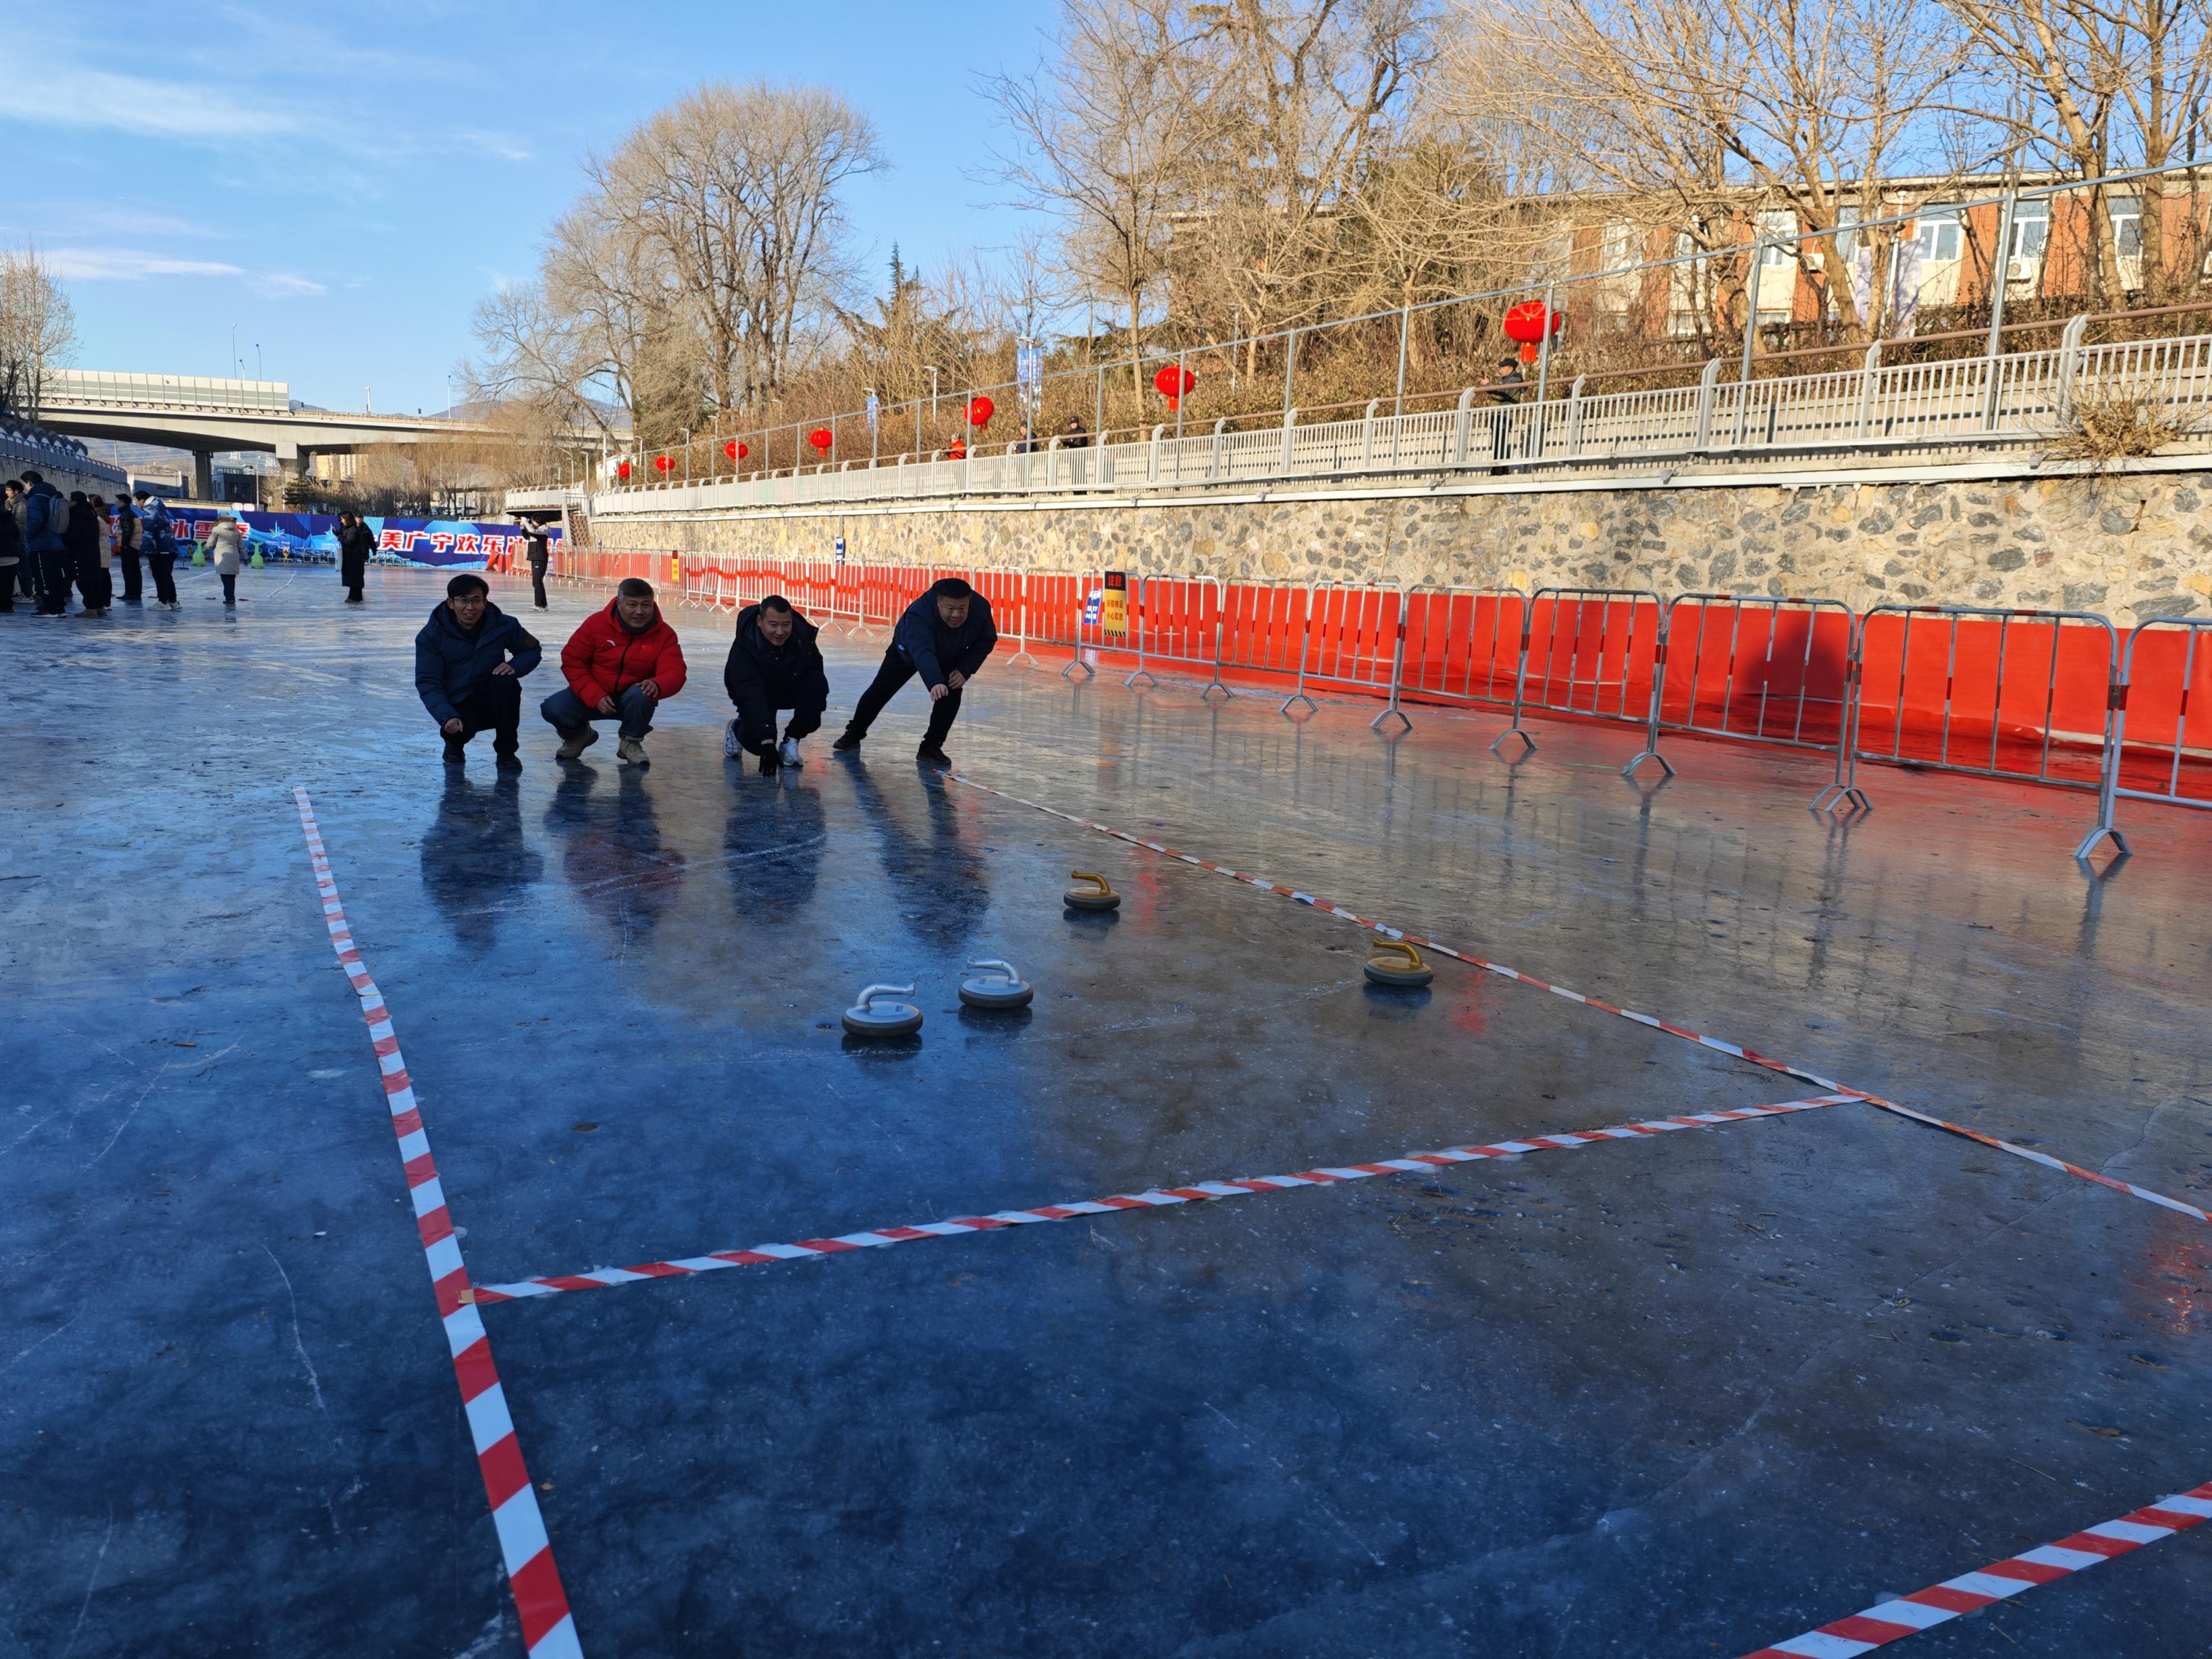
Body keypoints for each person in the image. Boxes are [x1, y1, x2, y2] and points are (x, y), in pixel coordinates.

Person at [833, 575, 997, 768]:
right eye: (950, 609)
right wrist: (934, 680)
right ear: (938, 602)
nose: (956, 615)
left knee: (951, 691)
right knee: (881, 690)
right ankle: (854, 734)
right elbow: (922, 650)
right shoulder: (920, 614)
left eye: (962, 609)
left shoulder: (981, 608)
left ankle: (931, 746)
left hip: (950, 653)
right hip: (908, 651)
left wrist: (964, 669)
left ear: (970, 601)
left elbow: (986, 640)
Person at [540, 577, 687, 765]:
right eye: (632, 604)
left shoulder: (665, 635)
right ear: (619, 603)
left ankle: (630, 742)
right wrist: (595, 696)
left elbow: (675, 671)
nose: (639, 612)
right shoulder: (596, 624)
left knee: (643, 693)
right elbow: (572, 660)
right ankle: (579, 736)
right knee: (553, 708)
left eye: (646, 605)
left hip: (632, 699)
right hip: (594, 694)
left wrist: (658, 684)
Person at [415, 572, 542, 768]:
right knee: (456, 730)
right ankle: (454, 745)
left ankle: (506, 752)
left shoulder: (503, 624)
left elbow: (531, 650)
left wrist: (514, 666)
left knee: (507, 683)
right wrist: (446, 715)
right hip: (459, 701)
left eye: (476, 600)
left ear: (485, 602)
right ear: (451, 603)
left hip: (492, 695)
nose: (470, 608)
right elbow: (428, 681)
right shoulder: (431, 635)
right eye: (463, 601)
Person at [722, 593, 828, 775]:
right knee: (758, 745)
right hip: (756, 692)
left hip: (787, 686)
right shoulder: (745, 645)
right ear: (759, 621)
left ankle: (790, 741)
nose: (780, 632)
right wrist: (766, 740)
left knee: (816, 684)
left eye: (786, 625)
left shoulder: (803, 638)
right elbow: (750, 692)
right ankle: (736, 728)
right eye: (773, 625)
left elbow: (816, 674)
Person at [20, 470, 72, 617]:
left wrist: (27, 535)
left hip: (41, 545)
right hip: (56, 543)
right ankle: (59, 607)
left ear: (29, 483)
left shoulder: (36, 499)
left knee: (43, 577)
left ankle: (49, 608)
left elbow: (36, 521)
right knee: (56, 576)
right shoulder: (54, 496)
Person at [134, 491, 180, 609]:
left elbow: (148, 534)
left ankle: (163, 602)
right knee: (167, 576)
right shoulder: (159, 507)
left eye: (136, 501)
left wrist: (140, 551)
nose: (135, 504)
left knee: (160, 576)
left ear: (142, 500)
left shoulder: (151, 511)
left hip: (160, 549)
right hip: (169, 548)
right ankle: (173, 601)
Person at [68, 492, 111, 617]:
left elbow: (74, 535)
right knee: (95, 580)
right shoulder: (92, 514)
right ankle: (99, 606)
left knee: (83, 581)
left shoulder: (77, 514)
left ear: (75, 501)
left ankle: (90, 608)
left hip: (81, 552)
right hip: (94, 552)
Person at [205, 512, 245, 606]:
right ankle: (231, 597)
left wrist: (203, 553)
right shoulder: (236, 531)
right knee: (231, 579)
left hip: (222, 557)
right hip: (234, 557)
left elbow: (210, 544)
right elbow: (241, 546)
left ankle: (230, 598)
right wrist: (246, 558)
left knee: (225, 579)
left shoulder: (216, 530)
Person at [335, 510, 374, 604]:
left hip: (355, 559)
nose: (341, 521)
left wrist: (340, 536)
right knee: (354, 579)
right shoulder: (349, 529)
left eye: (342, 519)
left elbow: (349, 542)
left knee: (355, 579)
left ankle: (354, 597)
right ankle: (354, 597)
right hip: (352, 558)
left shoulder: (354, 530)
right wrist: (338, 534)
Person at [111, 494, 142, 604]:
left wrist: (124, 544)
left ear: (123, 503)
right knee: (135, 570)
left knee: (129, 571)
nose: (116, 505)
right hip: (134, 546)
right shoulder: (132, 514)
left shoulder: (126, 515)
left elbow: (127, 531)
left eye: (117, 503)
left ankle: (130, 593)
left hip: (129, 546)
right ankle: (135, 594)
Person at [0, 479, 21, 614]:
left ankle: (3, 605)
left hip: (2, 556)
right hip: (13, 555)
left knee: (2, 582)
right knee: (9, 582)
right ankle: (8, 605)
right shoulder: (9, 520)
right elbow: (18, 534)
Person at [522, 522, 552, 609]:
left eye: (533, 521)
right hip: (535, 558)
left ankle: (539, 605)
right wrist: (522, 526)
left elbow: (531, 531)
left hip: (539, 559)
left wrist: (526, 522)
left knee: (537, 582)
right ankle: (543, 604)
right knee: (537, 582)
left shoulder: (542, 531)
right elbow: (526, 535)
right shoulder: (536, 533)